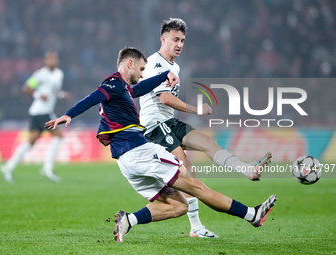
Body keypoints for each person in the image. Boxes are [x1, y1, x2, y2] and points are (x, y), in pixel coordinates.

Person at [45, 47, 277, 243]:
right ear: (129, 64)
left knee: (178, 206)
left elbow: (138, 89)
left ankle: (128, 220)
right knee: (196, 187)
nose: (143, 74)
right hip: (141, 151)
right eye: (141, 69)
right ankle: (251, 215)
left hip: (127, 163)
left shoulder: (124, 89)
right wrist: (69, 115)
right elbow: (93, 97)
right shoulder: (113, 83)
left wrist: (165, 74)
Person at [139, 18, 272, 238]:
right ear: (163, 39)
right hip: (155, 126)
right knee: (188, 173)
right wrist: (196, 110)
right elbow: (164, 99)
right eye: (175, 39)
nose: (179, 44)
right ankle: (197, 227)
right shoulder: (155, 62)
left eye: (182, 40)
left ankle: (246, 169)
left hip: (170, 122)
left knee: (208, 142)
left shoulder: (175, 66)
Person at [0, 51, 69, 183]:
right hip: (41, 111)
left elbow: (54, 91)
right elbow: (26, 87)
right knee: (58, 136)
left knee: (31, 140)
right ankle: (47, 168)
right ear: (45, 60)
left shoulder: (59, 74)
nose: (52, 61)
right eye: (50, 59)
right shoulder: (40, 74)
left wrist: (62, 95)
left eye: (54, 58)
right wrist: (38, 95)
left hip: (42, 112)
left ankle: (9, 167)